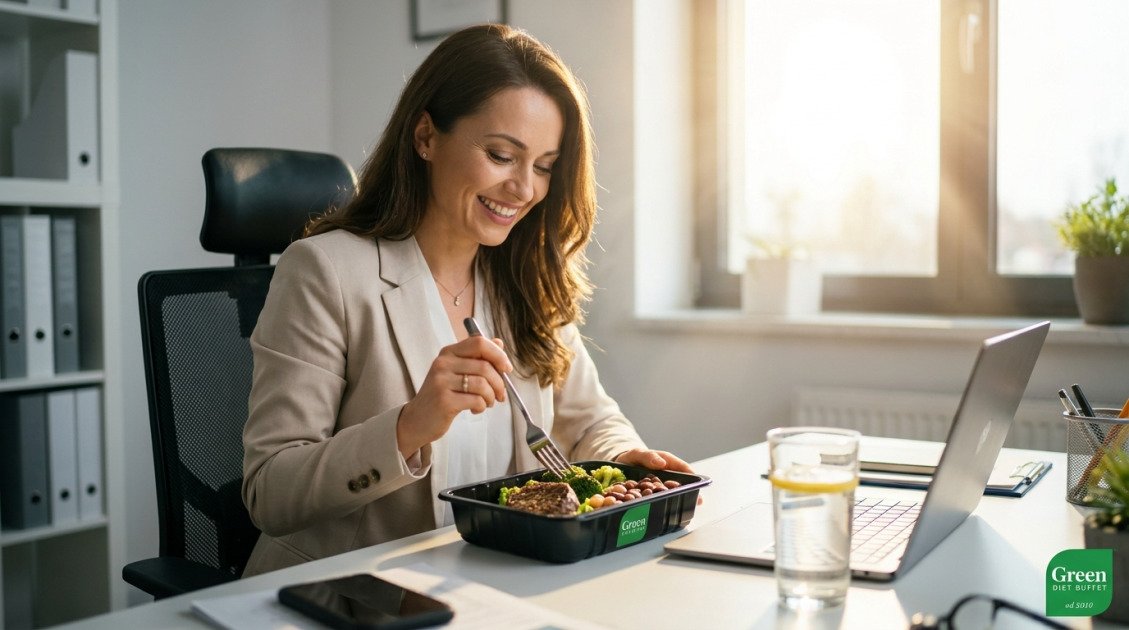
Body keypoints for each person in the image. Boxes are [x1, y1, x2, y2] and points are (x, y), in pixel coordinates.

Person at [240, 23, 692, 577]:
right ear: (426, 136)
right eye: (502, 155)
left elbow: (588, 420)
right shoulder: (325, 272)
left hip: (496, 583)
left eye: (545, 166)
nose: (525, 189)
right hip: (352, 593)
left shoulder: (524, 279)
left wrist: (624, 459)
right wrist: (409, 426)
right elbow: (270, 492)